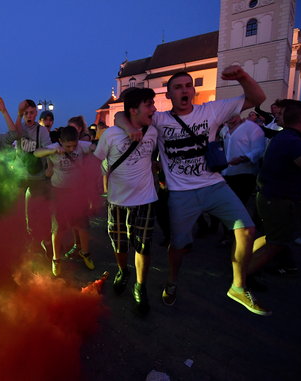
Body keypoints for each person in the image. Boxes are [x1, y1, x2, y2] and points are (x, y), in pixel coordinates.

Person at [116, 65, 270, 316]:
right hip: (181, 193)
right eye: (178, 87)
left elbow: (257, 98)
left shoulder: (211, 110)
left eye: (188, 85)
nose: (184, 90)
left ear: (194, 91)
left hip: (214, 185)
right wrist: (130, 129)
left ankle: (238, 286)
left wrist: (242, 76)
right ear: (168, 95)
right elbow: (121, 115)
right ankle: (172, 281)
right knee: (179, 246)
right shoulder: (161, 119)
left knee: (247, 229)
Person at [95, 87, 159, 315]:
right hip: (117, 201)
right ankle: (123, 270)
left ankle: (140, 287)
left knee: (143, 245)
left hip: (145, 199)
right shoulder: (111, 135)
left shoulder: (154, 130)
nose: (154, 108)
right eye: (149, 104)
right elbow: (96, 161)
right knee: (119, 243)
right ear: (134, 110)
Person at [249, 101, 301, 275]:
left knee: (273, 240)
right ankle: (242, 279)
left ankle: (249, 265)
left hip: (271, 196)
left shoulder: (285, 137)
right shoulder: (292, 140)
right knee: (275, 245)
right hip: (278, 199)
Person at [34, 126, 96, 277]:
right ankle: (56, 259)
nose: (72, 148)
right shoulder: (55, 147)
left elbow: (96, 147)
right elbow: (37, 153)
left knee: (82, 225)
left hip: (77, 191)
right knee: (58, 227)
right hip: (59, 192)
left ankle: (85, 253)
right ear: (61, 142)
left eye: (74, 145)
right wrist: (53, 151)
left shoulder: (81, 146)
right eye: (68, 146)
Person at [16, 99, 52, 242]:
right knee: (19, 209)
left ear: (36, 113)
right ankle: (24, 237)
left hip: (37, 175)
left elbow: (48, 149)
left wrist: (50, 166)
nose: (29, 116)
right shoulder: (21, 128)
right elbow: (14, 131)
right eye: (26, 113)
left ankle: (38, 237)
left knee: (35, 209)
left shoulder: (41, 130)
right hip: (21, 173)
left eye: (31, 113)